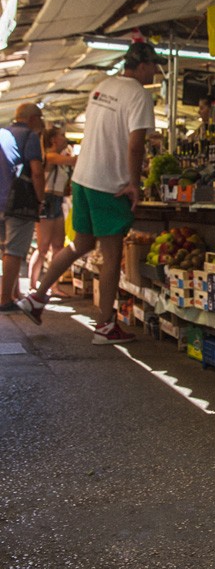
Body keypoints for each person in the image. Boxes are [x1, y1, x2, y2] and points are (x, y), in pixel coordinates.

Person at [17, 41, 166, 344]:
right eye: (153, 65)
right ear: (141, 65)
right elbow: (136, 144)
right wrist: (134, 183)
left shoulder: (103, 86)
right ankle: (104, 327)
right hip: (108, 184)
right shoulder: (139, 95)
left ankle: (36, 297)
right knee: (111, 256)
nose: (156, 70)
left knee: (79, 245)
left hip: (83, 178)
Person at [0, 102, 44, 313]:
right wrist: (40, 198)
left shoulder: (3, 133)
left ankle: (13, 293)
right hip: (18, 200)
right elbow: (36, 171)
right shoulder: (30, 136)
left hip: (1, 198)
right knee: (15, 251)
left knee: (6, 250)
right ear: (33, 118)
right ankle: (5, 299)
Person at [27, 126, 77, 296]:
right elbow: (73, 161)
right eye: (62, 135)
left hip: (58, 201)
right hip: (47, 200)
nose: (65, 138)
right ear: (53, 139)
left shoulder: (60, 158)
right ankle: (33, 285)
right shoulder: (50, 157)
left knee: (58, 246)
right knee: (42, 247)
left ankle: (54, 287)